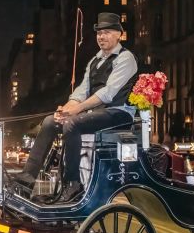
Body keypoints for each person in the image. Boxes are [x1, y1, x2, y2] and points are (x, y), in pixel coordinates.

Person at [14, 12, 139, 203]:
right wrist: (64, 110)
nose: (101, 37)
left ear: (119, 35)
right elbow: (81, 91)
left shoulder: (126, 58)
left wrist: (76, 110)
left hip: (119, 112)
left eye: (107, 32)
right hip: (98, 112)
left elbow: (108, 93)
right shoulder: (94, 61)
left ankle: (73, 184)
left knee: (72, 124)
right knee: (50, 121)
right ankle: (27, 179)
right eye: (99, 33)